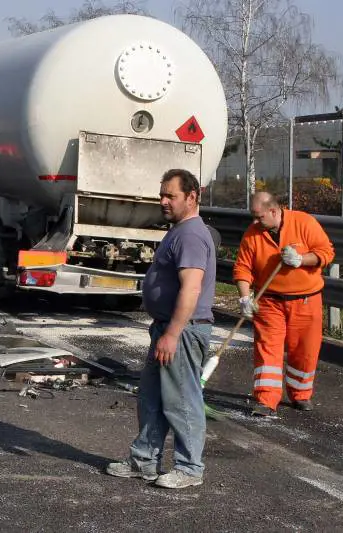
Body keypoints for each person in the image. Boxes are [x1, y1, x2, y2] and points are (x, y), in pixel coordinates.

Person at [106, 169, 216, 490]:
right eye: (161, 195)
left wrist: (172, 334)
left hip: (181, 331)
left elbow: (191, 288)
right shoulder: (179, 230)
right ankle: (144, 460)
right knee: (152, 397)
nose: (163, 201)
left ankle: (189, 468)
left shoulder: (191, 235)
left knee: (182, 400)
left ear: (192, 197)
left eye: (171, 196)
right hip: (167, 329)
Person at [233, 191, 334, 417]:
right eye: (253, 216)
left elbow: (326, 253)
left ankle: (300, 394)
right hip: (269, 301)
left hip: (306, 300)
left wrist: (301, 259)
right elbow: (243, 268)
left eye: (259, 217)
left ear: (273, 211)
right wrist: (244, 297)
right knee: (267, 349)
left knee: (305, 350)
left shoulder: (304, 222)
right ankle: (266, 399)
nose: (255, 222)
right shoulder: (252, 234)